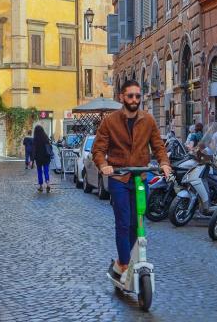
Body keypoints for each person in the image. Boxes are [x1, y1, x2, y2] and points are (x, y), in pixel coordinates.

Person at [92, 80, 172, 283]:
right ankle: (125, 264)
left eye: (137, 96)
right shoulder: (110, 121)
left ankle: (126, 260)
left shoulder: (148, 120)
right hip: (119, 177)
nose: (135, 100)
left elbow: (158, 146)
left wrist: (164, 163)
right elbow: (98, 149)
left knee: (138, 223)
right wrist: (103, 166)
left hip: (140, 177)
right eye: (130, 96)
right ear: (122, 97)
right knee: (123, 221)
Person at [32, 125, 52, 193]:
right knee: (46, 170)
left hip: (38, 158)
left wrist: (32, 159)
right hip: (46, 157)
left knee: (39, 171)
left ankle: (40, 186)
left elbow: (34, 149)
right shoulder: (45, 137)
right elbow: (49, 146)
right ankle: (48, 183)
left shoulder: (35, 139)